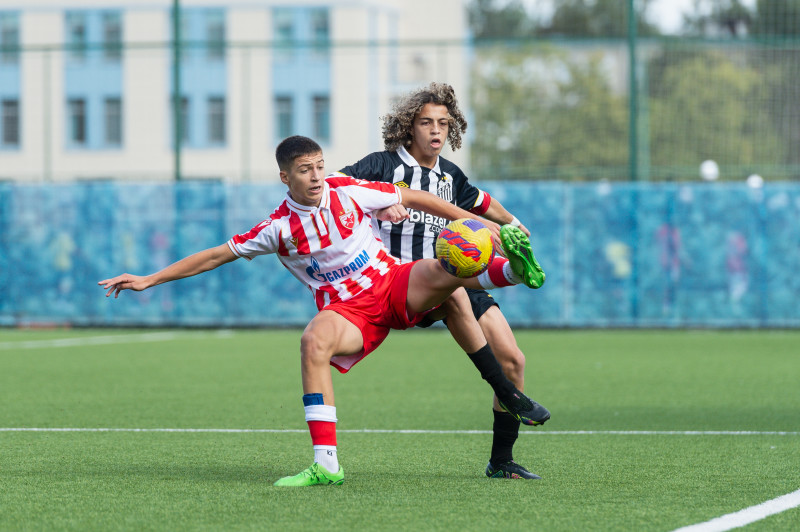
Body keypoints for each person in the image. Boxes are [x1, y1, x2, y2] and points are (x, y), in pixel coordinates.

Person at [99, 135, 546, 487]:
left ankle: (511, 286)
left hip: (392, 282)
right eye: (304, 170)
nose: (316, 176)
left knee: (448, 279)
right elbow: (216, 255)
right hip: (349, 311)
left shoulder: (346, 190)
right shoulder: (278, 228)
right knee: (313, 340)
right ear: (285, 177)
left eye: (318, 166)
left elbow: (412, 198)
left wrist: (476, 223)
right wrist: (149, 279)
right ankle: (326, 464)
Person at [339, 82, 548, 480]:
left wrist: (515, 225)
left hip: (451, 277)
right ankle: (509, 284)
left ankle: (501, 462)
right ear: (408, 127)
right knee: (453, 288)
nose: (436, 130)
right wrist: (380, 208)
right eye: (426, 122)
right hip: (398, 283)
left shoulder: (450, 176)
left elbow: (482, 202)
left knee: (513, 360)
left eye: (443, 123)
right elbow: (335, 186)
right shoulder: (382, 166)